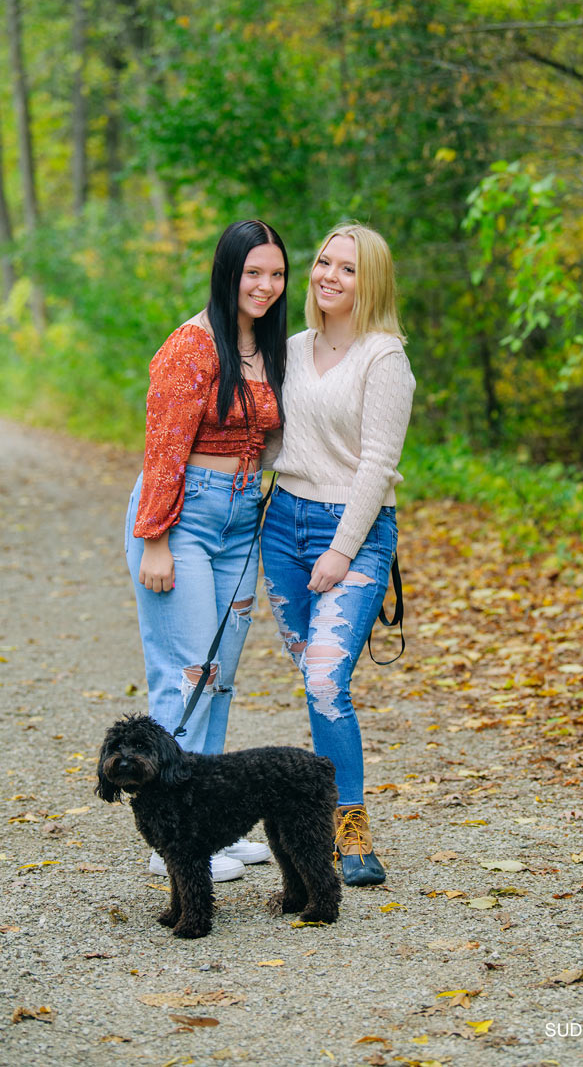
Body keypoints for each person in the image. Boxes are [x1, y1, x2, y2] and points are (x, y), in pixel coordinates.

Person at [125, 219, 288, 881]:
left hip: (241, 520)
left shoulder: (268, 346)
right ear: (228, 273)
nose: (266, 285)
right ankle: (174, 842)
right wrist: (155, 540)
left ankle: (210, 829)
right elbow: (164, 449)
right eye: (253, 273)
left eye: (276, 274)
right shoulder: (192, 346)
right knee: (186, 673)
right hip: (183, 519)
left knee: (218, 676)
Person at [260, 222, 415, 886]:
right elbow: (275, 443)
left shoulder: (385, 358)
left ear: (369, 280)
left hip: (351, 532)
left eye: (347, 268)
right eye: (323, 262)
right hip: (283, 524)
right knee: (316, 684)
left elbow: (378, 464)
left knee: (326, 682)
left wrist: (342, 551)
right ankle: (317, 829)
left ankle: (351, 834)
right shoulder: (293, 348)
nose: (328, 275)